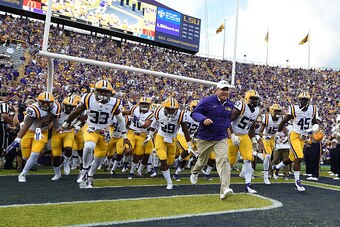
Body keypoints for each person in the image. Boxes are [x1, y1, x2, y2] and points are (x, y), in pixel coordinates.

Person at [57, 80, 131, 188]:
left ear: (110, 93)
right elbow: (76, 112)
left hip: (105, 130)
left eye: (106, 92)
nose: (103, 94)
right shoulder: (88, 98)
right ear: (95, 91)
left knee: (99, 157)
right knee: (89, 146)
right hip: (90, 126)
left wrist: (124, 136)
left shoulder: (115, 102)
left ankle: (90, 176)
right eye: (101, 91)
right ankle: (84, 169)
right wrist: (65, 124)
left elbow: (120, 120)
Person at [189, 80, 234, 200]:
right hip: (205, 137)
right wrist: (203, 119)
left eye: (226, 89)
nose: (225, 92)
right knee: (202, 161)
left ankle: (224, 189)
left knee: (223, 160)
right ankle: (195, 172)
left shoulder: (230, 104)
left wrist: (231, 134)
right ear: (217, 90)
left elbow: (227, 120)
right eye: (222, 89)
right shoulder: (207, 101)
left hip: (221, 137)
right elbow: (194, 113)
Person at [6, 92, 60, 182]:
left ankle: (23, 174)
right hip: (28, 132)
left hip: (42, 132)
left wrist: (40, 129)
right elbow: (26, 125)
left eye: (48, 103)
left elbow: (46, 120)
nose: (46, 105)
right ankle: (29, 163)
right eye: (43, 102)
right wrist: (17, 140)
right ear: (39, 102)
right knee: (26, 157)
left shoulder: (56, 107)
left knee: (34, 154)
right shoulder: (33, 109)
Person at [273, 91, 320, 192]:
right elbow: (284, 121)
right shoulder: (295, 109)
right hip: (294, 135)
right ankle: (297, 182)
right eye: (301, 99)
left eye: (305, 100)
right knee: (299, 157)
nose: (303, 102)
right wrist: (278, 132)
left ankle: (276, 167)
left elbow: (316, 122)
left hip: (303, 137)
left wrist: (313, 129)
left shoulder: (313, 109)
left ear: (309, 101)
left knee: (291, 158)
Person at [144, 97, 191, 189]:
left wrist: (189, 145)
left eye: (173, 110)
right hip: (160, 138)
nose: (171, 112)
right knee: (163, 159)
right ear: (164, 108)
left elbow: (186, 131)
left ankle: (165, 170)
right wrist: (150, 135)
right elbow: (154, 124)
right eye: (169, 109)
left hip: (172, 139)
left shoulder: (180, 115)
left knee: (169, 163)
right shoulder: (158, 111)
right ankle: (169, 183)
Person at [228, 90, 261, 194]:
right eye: (254, 99)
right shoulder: (241, 106)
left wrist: (253, 138)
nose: (256, 101)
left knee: (248, 158)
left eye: (257, 99)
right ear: (248, 99)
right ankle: (225, 184)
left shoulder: (256, 110)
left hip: (244, 135)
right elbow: (227, 121)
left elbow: (251, 126)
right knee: (230, 161)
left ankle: (248, 185)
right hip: (232, 134)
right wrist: (232, 135)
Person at [257, 103, 286, 184]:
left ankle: (256, 154)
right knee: (268, 155)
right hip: (266, 138)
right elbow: (260, 132)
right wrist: (264, 136)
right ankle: (266, 176)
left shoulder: (281, 119)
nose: (278, 113)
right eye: (276, 111)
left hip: (273, 139)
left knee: (268, 157)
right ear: (272, 111)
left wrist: (284, 136)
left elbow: (284, 129)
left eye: (279, 111)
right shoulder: (267, 118)